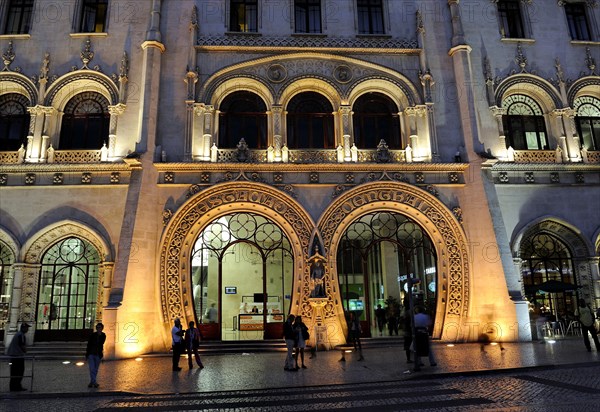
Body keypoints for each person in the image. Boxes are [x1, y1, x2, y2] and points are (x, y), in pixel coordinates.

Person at [7, 322, 30, 391]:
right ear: (23, 328)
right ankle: (16, 386)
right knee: (19, 371)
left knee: (14, 371)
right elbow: (22, 345)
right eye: (27, 328)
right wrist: (25, 351)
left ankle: (14, 386)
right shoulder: (21, 335)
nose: (27, 330)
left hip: (14, 355)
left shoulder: (18, 334)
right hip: (17, 356)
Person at [413, 306, 436, 370]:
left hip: (417, 332)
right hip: (424, 332)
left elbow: (412, 324)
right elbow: (429, 324)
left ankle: (419, 361)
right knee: (428, 347)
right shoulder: (426, 316)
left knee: (417, 347)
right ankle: (432, 361)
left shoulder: (415, 317)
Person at [85, 322, 106, 388]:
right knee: (92, 369)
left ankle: (92, 382)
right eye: (97, 327)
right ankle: (94, 382)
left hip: (98, 354)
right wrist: (87, 354)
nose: (98, 329)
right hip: (91, 353)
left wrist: (99, 335)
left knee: (96, 369)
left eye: (100, 327)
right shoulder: (93, 335)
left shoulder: (103, 335)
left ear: (102, 328)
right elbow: (89, 344)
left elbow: (102, 343)